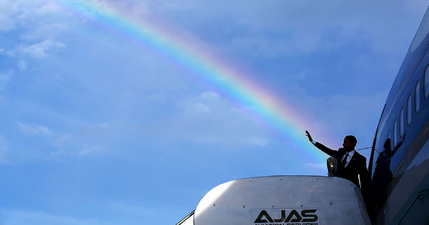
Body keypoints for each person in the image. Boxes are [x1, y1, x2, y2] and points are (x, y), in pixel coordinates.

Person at [305, 130, 370, 192]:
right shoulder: (340, 152)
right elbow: (327, 150)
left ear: (351, 144)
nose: (343, 144)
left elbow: (364, 180)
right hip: (336, 187)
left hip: (350, 190)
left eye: (345, 142)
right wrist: (312, 141)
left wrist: (363, 196)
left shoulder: (360, 159)